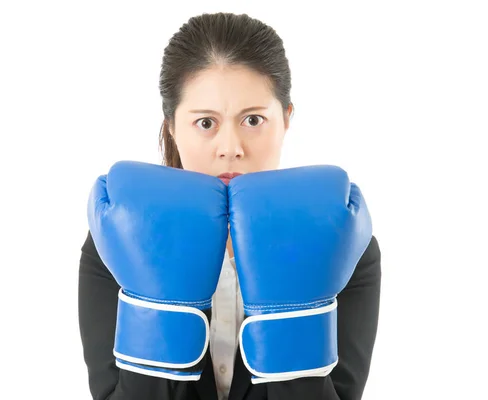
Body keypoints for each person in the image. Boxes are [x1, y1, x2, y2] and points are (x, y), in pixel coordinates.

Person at [78, 12, 381, 400]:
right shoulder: (118, 237)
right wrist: (161, 303)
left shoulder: (340, 240)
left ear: (286, 119)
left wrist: (290, 312)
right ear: (171, 125)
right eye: (206, 123)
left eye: (253, 120)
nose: (231, 148)